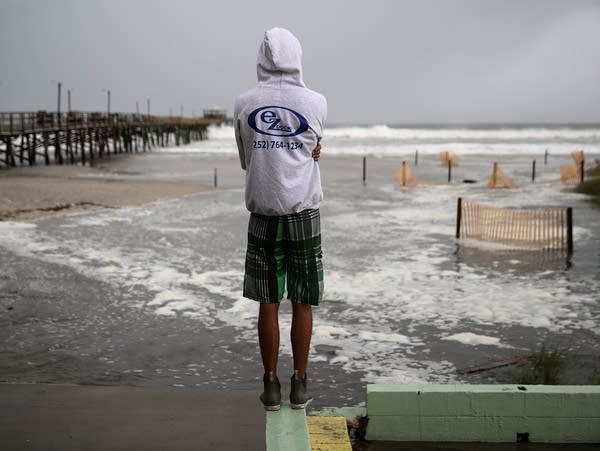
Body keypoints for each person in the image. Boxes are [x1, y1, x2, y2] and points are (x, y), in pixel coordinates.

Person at [234, 27, 327, 411]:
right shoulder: (316, 102)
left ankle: (270, 385)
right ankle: (300, 384)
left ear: (261, 59)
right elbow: (313, 148)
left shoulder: (244, 102)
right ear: (297, 57)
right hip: (304, 212)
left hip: (263, 214)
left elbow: (246, 161)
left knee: (268, 303)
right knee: (302, 301)